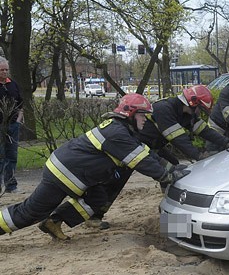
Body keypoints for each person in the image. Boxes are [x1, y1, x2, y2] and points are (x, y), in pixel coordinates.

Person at [41, 86, 225, 234]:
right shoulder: (166, 109)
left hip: (148, 151)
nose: (198, 114)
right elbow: (181, 142)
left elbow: (205, 131)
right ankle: (175, 229)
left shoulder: (186, 113)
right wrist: (199, 157)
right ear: (192, 104)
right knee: (119, 185)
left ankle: (174, 228)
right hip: (133, 152)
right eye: (199, 109)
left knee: (174, 174)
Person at [0, 94, 186, 239]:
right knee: (29, 212)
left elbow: (147, 154)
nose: (146, 120)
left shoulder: (123, 131)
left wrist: (172, 169)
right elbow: (142, 162)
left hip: (74, 175)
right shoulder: (117, 133)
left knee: (98, 199)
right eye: (143, 115)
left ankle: (54, 222)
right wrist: (165, 176)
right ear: (130, 114)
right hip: (62, 175)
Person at [0, 57, 24, 193]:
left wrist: (19, 119)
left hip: (13, 125)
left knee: (12, 156)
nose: (4, 72)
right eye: (1, 70)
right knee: (0, 156)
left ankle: (11, 185)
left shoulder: (13, 84)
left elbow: (21, 103)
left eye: (6, 70)